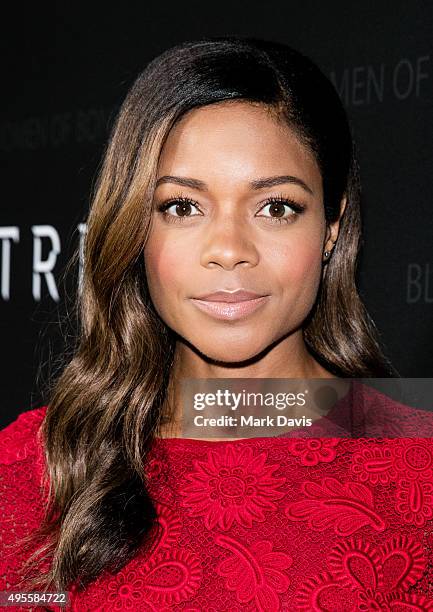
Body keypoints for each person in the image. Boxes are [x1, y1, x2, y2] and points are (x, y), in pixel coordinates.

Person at [1, 36, 433, 611]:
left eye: (275, 207)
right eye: (183, 206)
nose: (228, 250)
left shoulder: (416, 474)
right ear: (136, 228)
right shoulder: (33, 466)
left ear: (331, 227)